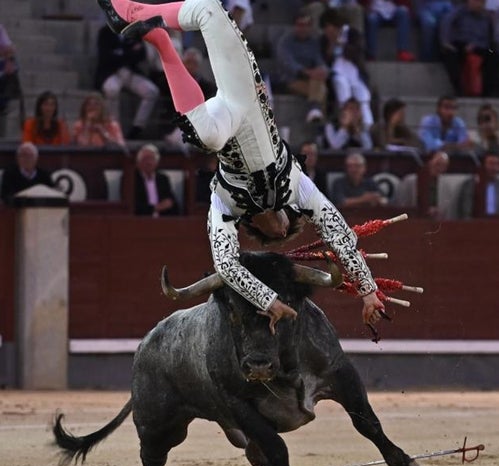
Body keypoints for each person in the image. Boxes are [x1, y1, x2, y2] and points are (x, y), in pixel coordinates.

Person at [97, 0, 385, 330]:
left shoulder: (225, 204)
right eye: (286, 231)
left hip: (224, 121)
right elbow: (338, 232)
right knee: (207, 9)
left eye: (275, 237)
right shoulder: (297, 186)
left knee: (206, 136)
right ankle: (134, 11)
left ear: (255, 229)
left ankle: (161, 41)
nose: (280, 231)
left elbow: (226, 264)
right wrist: (368, 290)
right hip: (245, 101)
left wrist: (268, 300)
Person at [95, 23, 160, 139]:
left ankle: (137, 127)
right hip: (111, 73)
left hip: (130, 72)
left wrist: (120, 54)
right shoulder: (105, 32)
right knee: (112, 89)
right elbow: (105, 57)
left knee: (152, 91)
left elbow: (141, 54)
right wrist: (129, 54)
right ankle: (114, 128)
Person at [319, 9, 373, 126]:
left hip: (355, 73)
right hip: (337, 73)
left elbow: (358, 52)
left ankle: (368, 126)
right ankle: (348, 125)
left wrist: (340, 43)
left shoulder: (352, 33)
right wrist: (331, 46)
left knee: (362, 96)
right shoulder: (324, 40)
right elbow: (325, 60)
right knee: (342, 89)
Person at [276, 9, 329, 123]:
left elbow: (319, 61)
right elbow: (288, 64)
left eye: (306, 25)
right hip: (290, 80)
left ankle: (315, 113)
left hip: (311, 80)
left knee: (320, 85)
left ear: (310, 27)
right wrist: (308, 72)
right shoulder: (285, 42)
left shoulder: (314, 43)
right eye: (300, 25)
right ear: (295, 26)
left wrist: (322, 70)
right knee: (322, 90)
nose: (303, 28)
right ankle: (319, 121)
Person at [440, 0, 499, 97]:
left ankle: (488, 91)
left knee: (494, 55)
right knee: (451, 54)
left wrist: (476, 44)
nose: (477, 4)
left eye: (481, 2)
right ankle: (459, 88)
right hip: (460, 44)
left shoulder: (487, 17)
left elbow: (490, 38)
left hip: (481, 46)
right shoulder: (459, 12)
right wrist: (445, 42)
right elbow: (446, 23)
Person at [395, 150, 451, 220]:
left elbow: (446, 208)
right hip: (412, 220)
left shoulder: (445, 185)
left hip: (436, 221)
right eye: (438, 164)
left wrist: (437, 211)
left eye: (444, 166)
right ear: (429, 162)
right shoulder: (409, 181)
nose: (440, 168)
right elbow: (401, 205)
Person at [134, 143, 180, 216]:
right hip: (140, 220)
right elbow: (133, 207)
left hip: (163, 221)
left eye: (152, 159)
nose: (149, 162)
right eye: (146, 159)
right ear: (138, 163)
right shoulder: (132, 180)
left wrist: (166, 205)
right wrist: (155, 208)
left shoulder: (163, 179)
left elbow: (171, 203)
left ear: (156, 163)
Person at [457, 152, 499, 218]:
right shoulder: (471, 184)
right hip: (476, 225)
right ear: (483, 165)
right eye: (491, 164)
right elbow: (466, 213)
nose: (494, 168)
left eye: (497, 164)